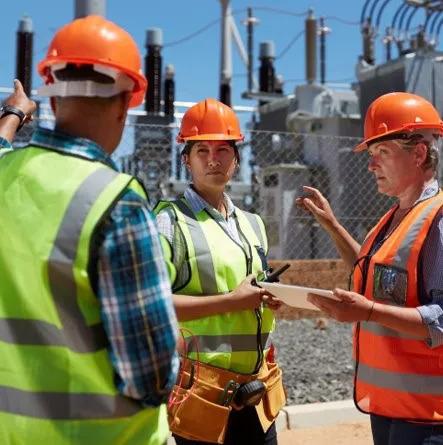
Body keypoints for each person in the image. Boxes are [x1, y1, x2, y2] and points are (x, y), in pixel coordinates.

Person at [0, 16, 178, 445]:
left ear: (54, 103)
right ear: (123, 104)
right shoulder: (117, 202)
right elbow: (150, 376)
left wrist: (12, 115)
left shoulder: (6, 173)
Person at [297, 92, 443, 445]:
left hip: (428, 418)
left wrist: (369, 311)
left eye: (382, 153)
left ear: (419, 153)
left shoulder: (437, 221)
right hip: (391, 407)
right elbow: (369, 272)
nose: (371, 165)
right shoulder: (393, 218)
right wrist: (332, 225)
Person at [154, 98, 286, 445]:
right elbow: (154, 305)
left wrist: (270, 297)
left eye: (223, 150)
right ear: (186, 159)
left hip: (257, 392)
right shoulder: (169, 221)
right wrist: (232, 301)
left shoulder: (253, 224)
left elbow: (251, 290)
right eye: (202, 151)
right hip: (203, 394)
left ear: (236, 159)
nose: (214, 159)